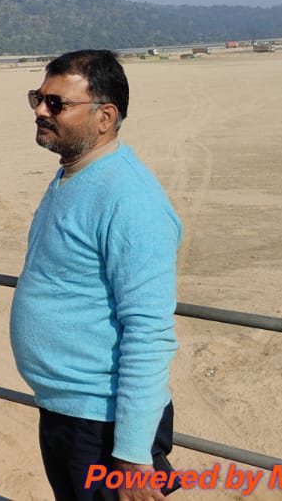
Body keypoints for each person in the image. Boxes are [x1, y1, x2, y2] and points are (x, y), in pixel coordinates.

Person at [10, 50, 181, 501]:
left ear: (105, 117)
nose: (40, 111)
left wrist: (134, 453)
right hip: (67, 412)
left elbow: (148, 331)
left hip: (104, 424)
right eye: (37, 98)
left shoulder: (129, 198)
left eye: (56, 103)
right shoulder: (75, 175)